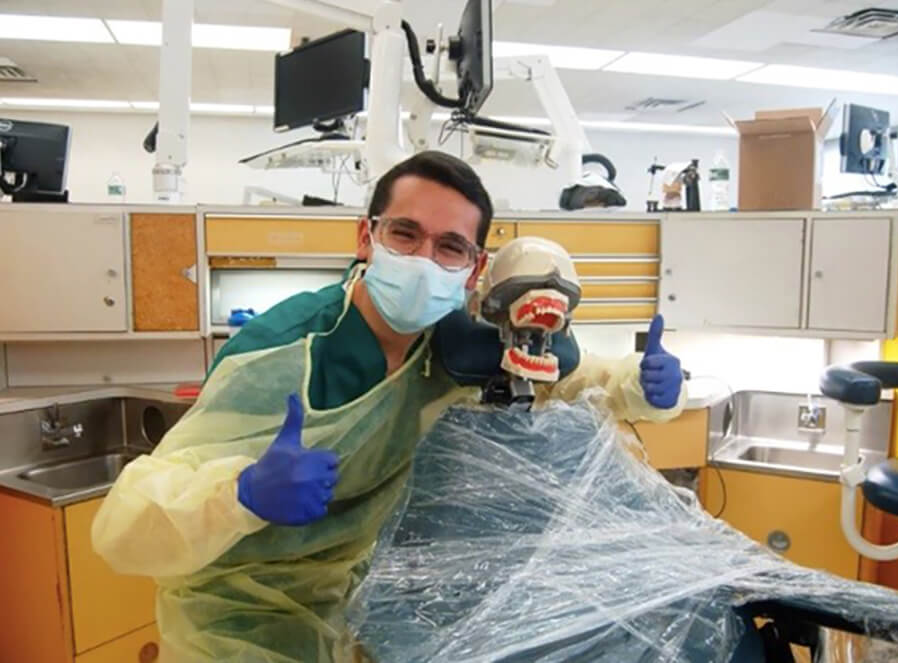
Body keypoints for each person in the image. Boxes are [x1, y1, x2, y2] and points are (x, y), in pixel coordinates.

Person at [92, 151, 686, 663]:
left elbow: (573, 378)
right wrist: (240, 494)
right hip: (237, 623)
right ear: (365, 237)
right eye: (405, 235)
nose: (424, 260)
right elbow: (122, 527)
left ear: (475, 268)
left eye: (450, 246)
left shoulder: (456, 344)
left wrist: (642, 384)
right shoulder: (287, 351)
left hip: (366, 608)